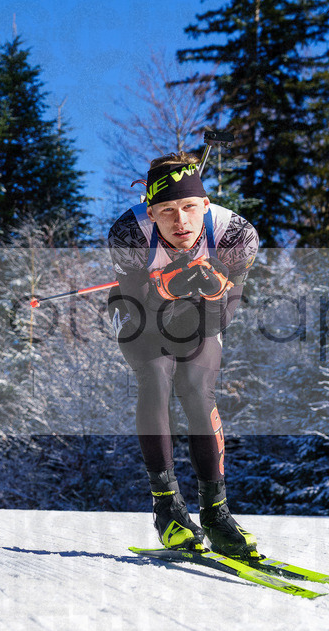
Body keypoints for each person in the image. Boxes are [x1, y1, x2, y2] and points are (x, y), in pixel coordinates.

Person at [107, 151, 259, 557]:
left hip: (200, 310)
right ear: (150, 212)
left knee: (196, 386)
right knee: (155, 376)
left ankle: (216, 513)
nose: (181, 222)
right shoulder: (129, 233)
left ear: (205, 205)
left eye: (190, 207)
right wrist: (164, 287)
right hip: (139, 307)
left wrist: (213, 292)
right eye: (168, 211)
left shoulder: (235, 235)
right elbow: (139, 307)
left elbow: (218, 321)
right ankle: (168, 509)